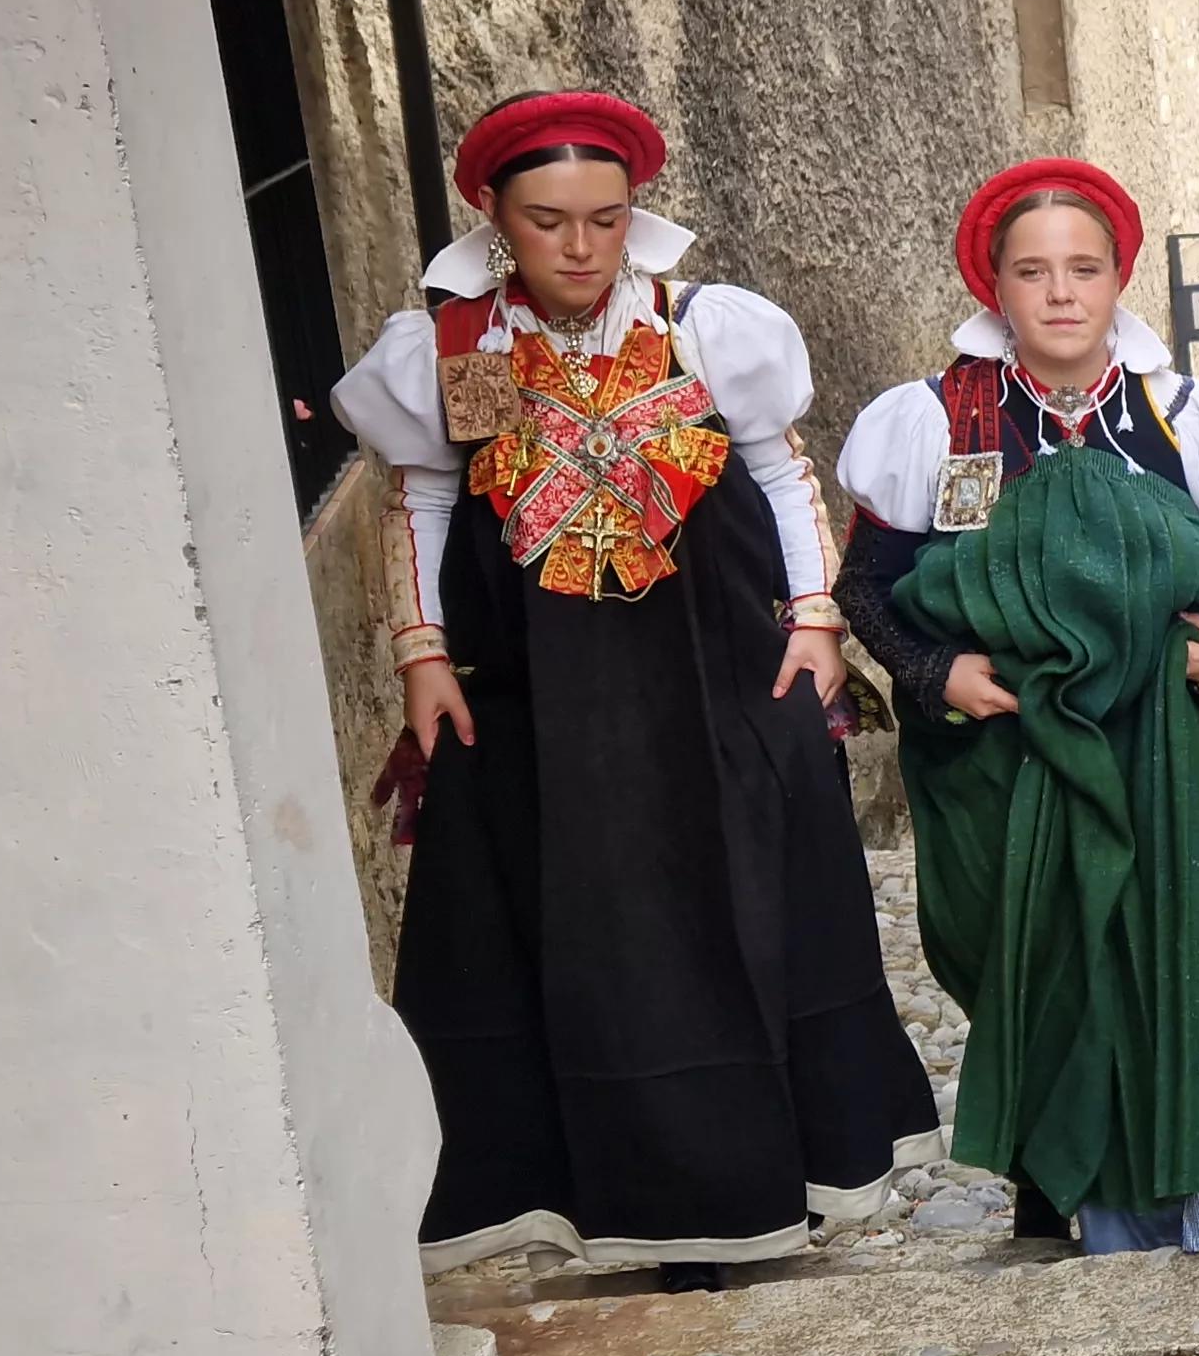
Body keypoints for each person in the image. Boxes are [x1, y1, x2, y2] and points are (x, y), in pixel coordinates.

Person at [332, 91, 936, 1289]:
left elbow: (777, 471)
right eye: (548, 220)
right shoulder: (462, 350)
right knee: (576, 922)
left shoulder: (711, 331)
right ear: (496, 217)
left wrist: (814, 622)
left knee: (748, 900)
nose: (578, 247)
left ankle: (772, 1180)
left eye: (604, 220)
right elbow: (428, 502)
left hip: (716, 661)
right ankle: (607, 1196)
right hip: (538, 690)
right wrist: (424, 656)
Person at [834, 160, 1199, 1256]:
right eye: (1032, 271)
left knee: (1166, 945)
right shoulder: (933, 421)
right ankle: (1052, 1178)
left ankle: (1183, 1168)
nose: (1059, 294)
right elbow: (868, 579)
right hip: (999, 747)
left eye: (1083, 269)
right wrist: (934, 673)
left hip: (1159, 750)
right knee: (1023, 950)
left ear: (1118, 278)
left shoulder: (1182, 417)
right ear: (993, 283)